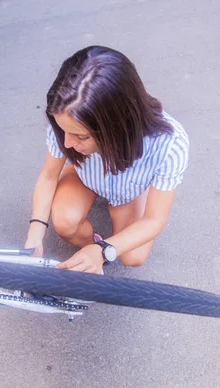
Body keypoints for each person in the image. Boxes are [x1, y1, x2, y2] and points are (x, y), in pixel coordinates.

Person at [24, 45, 189, 274]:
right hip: (85, 174)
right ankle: (92, 248)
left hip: (128, 191)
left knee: (133, 257)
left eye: (81, 136)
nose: (68, 143)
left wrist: (103, 251)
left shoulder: (171, 144)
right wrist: (36, 231)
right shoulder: (67, 121)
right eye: (63, 132)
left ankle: (106, 238)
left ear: (117, 125)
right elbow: (49, 175)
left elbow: (154, 220)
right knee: (64, 222)